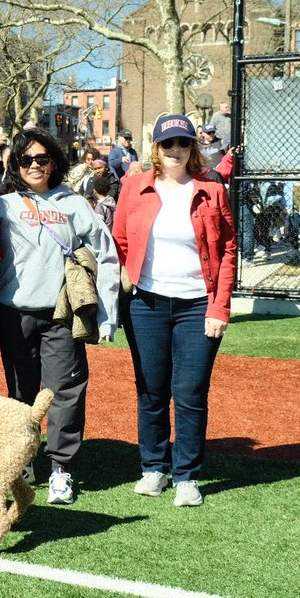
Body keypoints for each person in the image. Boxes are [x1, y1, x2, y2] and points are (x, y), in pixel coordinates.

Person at [113, 113, 237, 508]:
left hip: (198, 304)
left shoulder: (211, 189)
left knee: (190, 391)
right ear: (156, 147)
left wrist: (219, 307)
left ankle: (187, 474)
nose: (175, 151)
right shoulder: (134, 187)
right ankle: (154, 468)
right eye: (168, 144)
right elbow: (119, 240)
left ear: (192, 147)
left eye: (183, 143)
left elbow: (229, 248)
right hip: (145, 304)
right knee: (151, 390)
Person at [0, 128, 118, 506]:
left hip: (61, 314)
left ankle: (61, 467)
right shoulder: (4, 205)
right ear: (15, 164)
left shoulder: (74, 205)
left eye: (42, 159)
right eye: (26, 159)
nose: (34, 166)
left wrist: (107, 315)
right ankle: (23, 460)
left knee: (64, 392)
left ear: (54, 163)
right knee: (19, 396)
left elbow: (106, 256)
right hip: (14, 312)